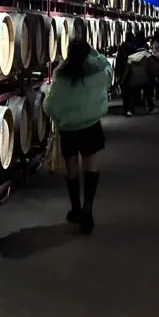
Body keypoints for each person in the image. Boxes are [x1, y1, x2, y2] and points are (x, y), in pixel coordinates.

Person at [42, 39, 111, 235]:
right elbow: (109, 70)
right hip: (91, 125)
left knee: (71, 167)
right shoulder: (97, 73)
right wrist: (96, 54)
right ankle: (88, 206)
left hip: (69, 129)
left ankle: (76, 208)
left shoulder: (61, 75)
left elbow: (50, 105)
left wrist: (59, 119)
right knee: (91, 167)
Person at [117, 34, 157, 116]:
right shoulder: (147, 56)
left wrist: (122, 80)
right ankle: (151, 108)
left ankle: (130, 110)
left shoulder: (131, 57)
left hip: (133, 79)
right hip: (145, 79)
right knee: (148, 94)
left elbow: (127, 70)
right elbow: (152, 69)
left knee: (131, 94)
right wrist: (155, 77)